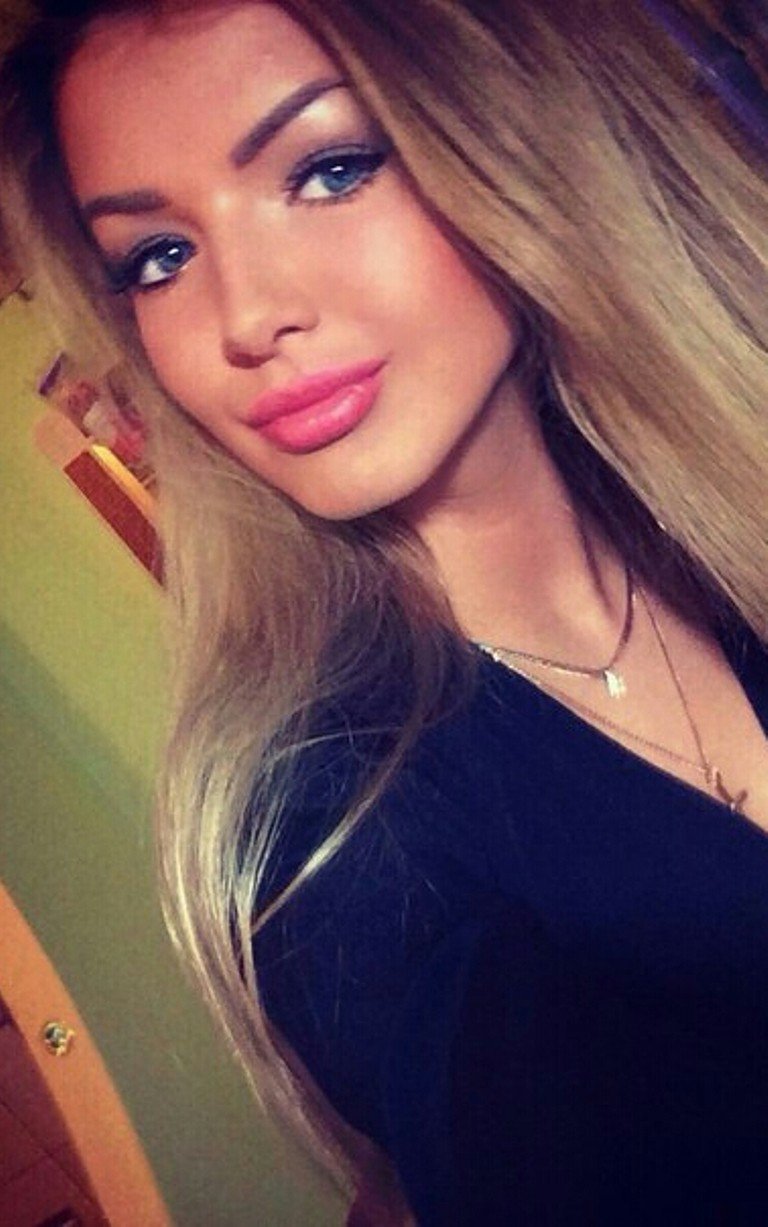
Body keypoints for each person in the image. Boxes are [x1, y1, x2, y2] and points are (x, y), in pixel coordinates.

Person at [2, 0, 768, 1222]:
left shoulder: (707, 520)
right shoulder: (348, 848)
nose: (245, 318)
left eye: (330, 169)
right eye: (160, 256)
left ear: (507, 134)